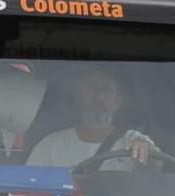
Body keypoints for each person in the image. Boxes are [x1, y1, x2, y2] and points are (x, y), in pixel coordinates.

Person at [26, 66, 162, 170]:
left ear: (118, 101)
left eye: (107, 90)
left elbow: (157, 166)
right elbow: (28, 185)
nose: (99, 97)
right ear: (78, 97)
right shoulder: (51, 145)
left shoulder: (132, 140)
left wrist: (145, 150)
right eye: (91, 88)